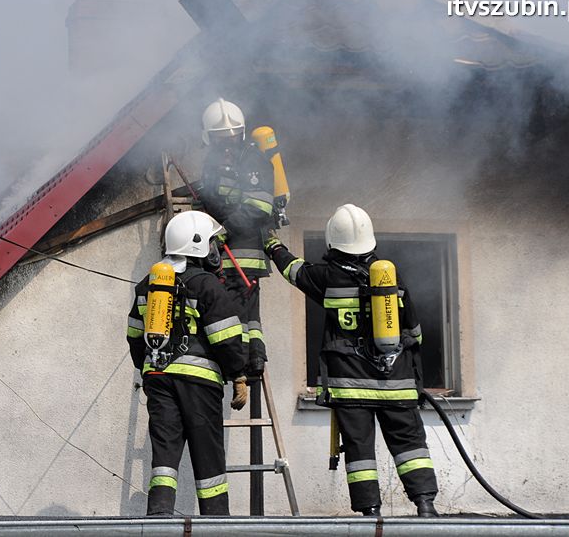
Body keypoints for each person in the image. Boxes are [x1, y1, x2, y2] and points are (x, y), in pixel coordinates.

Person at [264, 204, 439, 517]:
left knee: (360, 452)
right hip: (397, 384)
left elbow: (295, 271)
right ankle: (425, 504)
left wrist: (272, 244)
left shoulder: (327, 278)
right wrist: (414, 378)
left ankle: (370, 512)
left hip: (351, 386)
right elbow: (414, 331)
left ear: (333, 241)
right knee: (411, 447)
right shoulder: (391, 275)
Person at [127, 210, 250, 516]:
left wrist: (150, 367)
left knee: (165, 451)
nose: (215, 250)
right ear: (197, 245)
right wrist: (239, 375)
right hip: (199, 383)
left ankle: (159, 514)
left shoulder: (148, 285)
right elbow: (227, 336)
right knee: (207, 452)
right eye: (211, 243)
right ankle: (216, 519)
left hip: (157, 376)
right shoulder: (206, 284)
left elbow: (134, 335)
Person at [197, 97, 281, 378]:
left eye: (232, 138)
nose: (228, 144)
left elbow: (259, 206)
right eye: (221, 139)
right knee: (245, 313)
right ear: (209, 138)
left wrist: (223, 232)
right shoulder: (215, 161)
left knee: (238, 309)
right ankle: (253, 360)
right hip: (227, 248)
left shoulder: (252, 159)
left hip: (244, 248)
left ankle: (244, 366)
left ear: (242, 134)